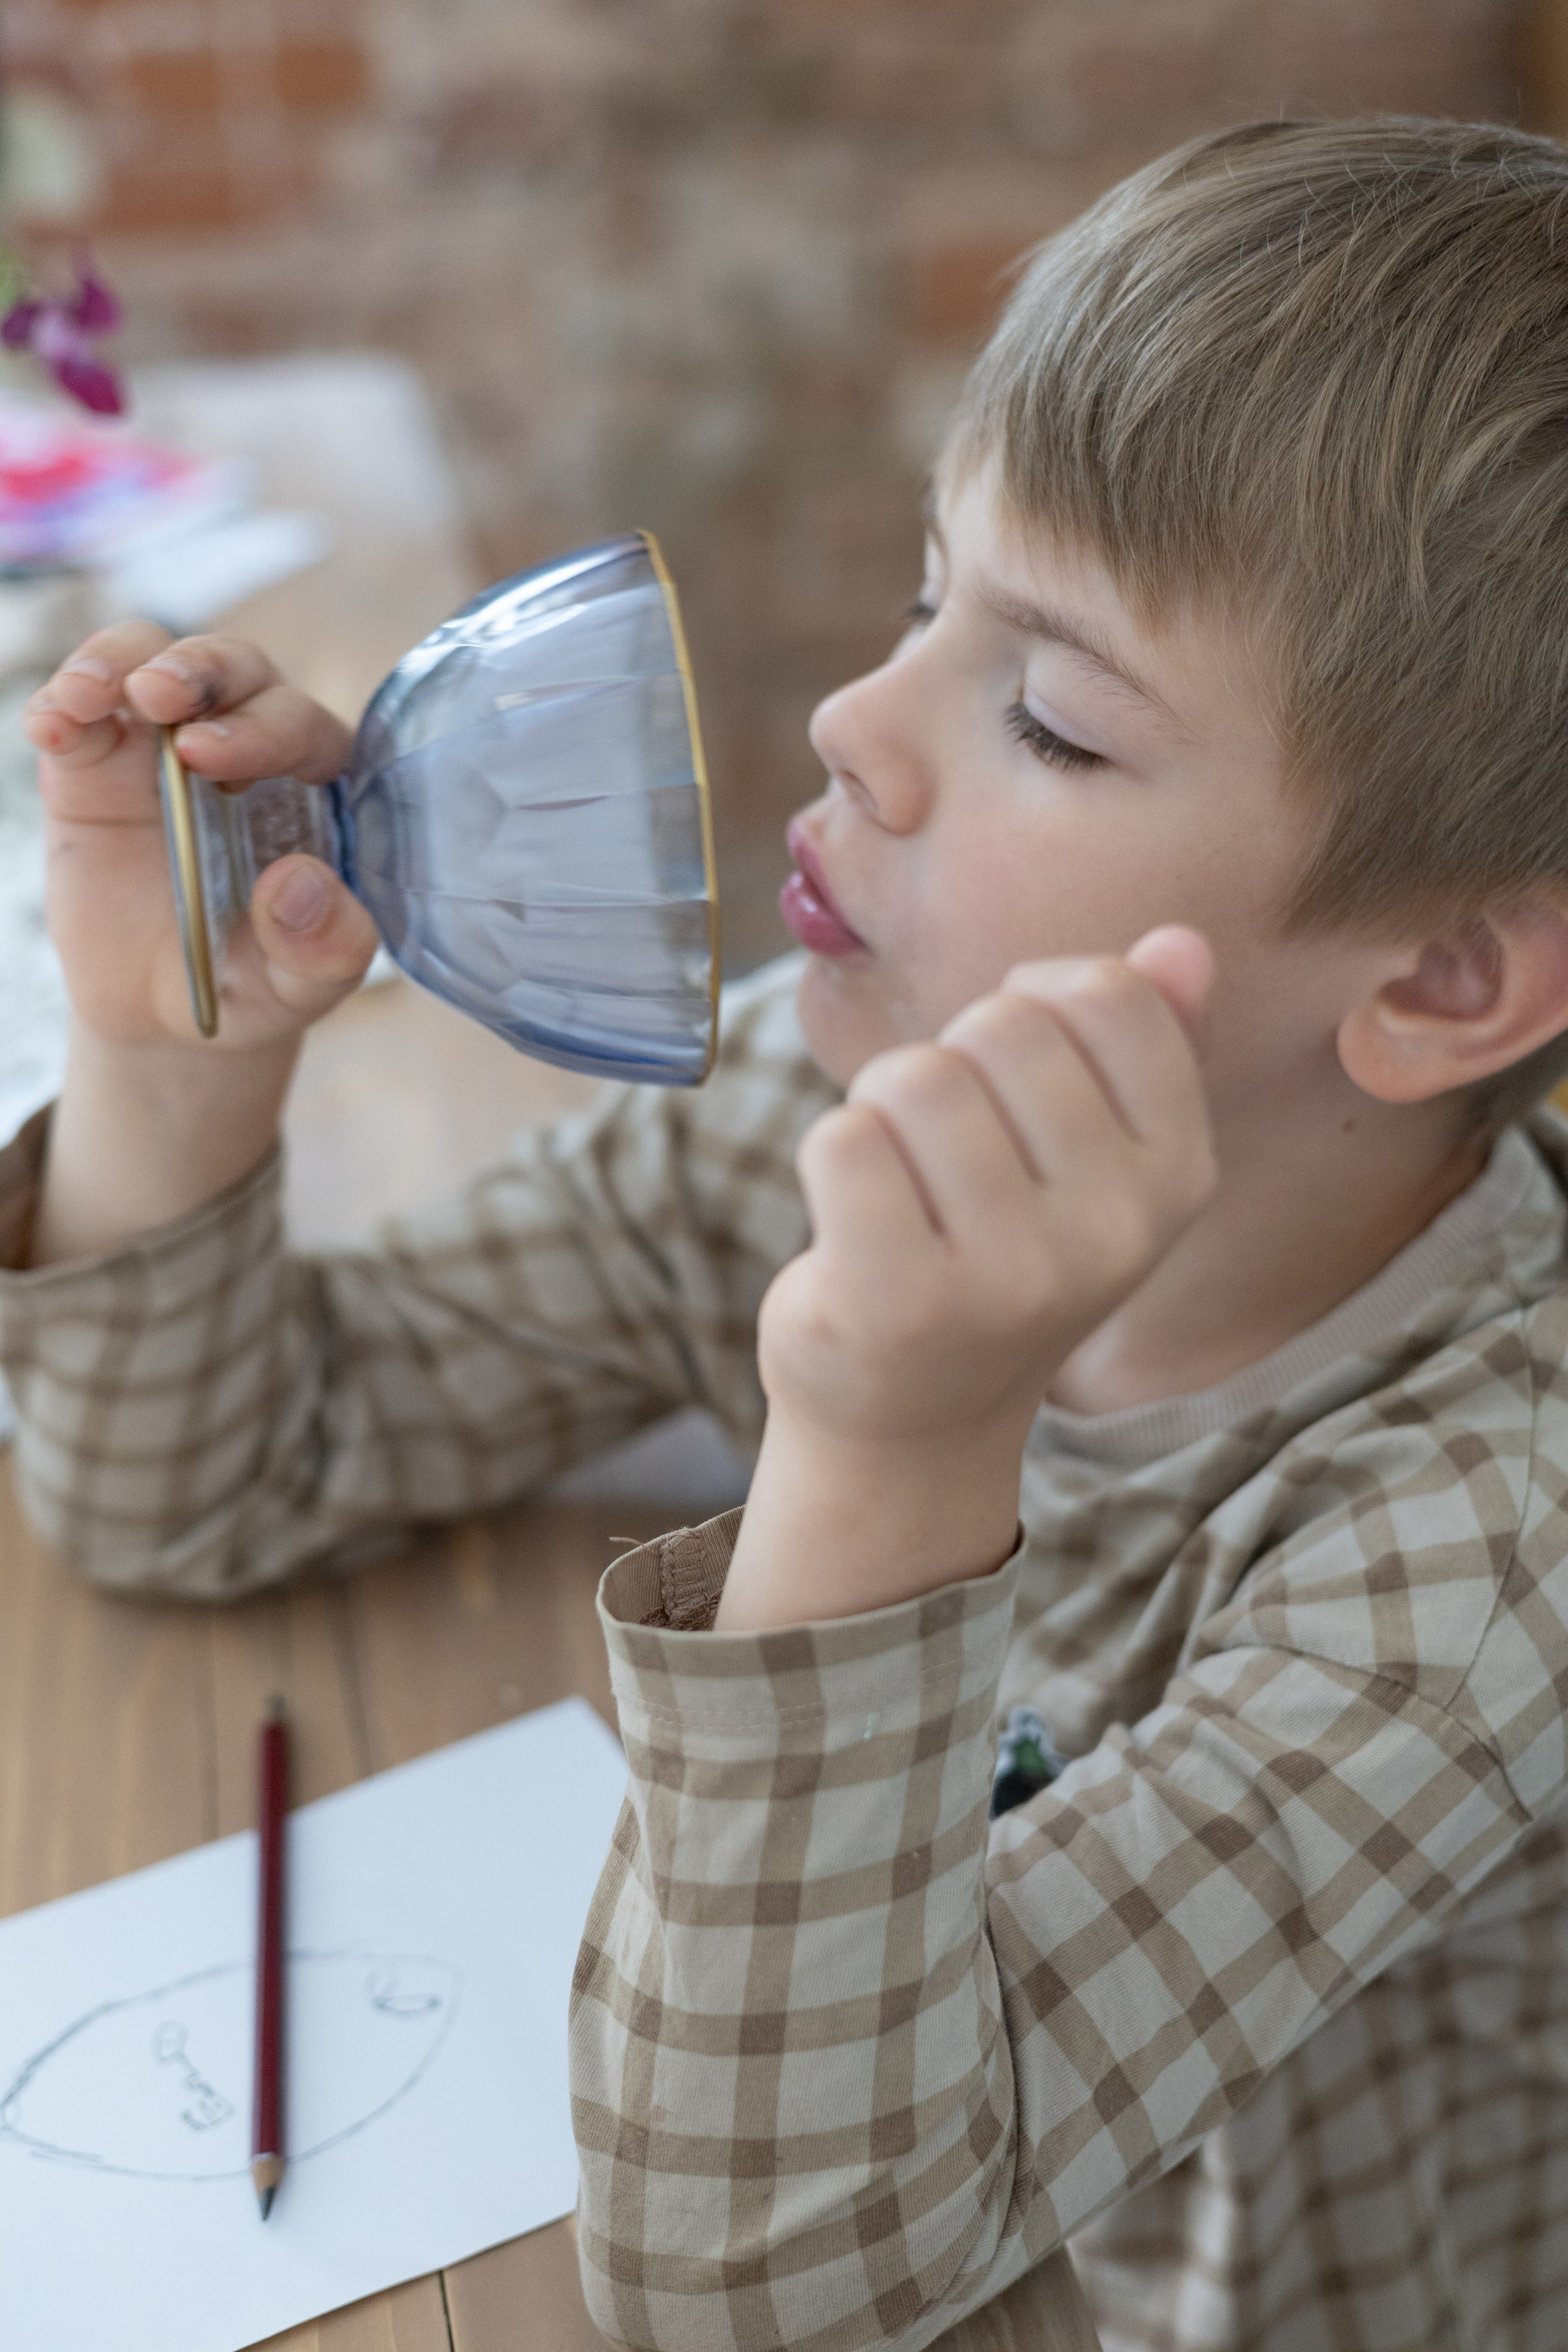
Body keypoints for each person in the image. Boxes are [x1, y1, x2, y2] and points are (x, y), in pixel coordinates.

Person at [6, 113, 1568, 2352]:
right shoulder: (814, 1092)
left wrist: (890, 1449)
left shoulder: (1486, 1541)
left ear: (1435, 987)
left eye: (1047, 715)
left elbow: (773, 2290)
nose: (851, 721)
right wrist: (180, 1055)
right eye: (934, 596)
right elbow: (201, 1479)